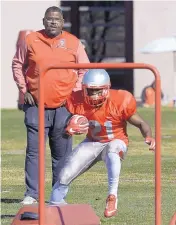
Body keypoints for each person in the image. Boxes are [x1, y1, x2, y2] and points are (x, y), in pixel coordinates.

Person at [49, 69, 155, 218]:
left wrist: (149, 136)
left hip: (116, 141)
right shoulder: (75, 99)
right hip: (92, 142)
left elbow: (141, 123)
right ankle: (55, 204)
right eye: (90, 91)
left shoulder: (120, 100)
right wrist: (68, 127)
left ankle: (112, 196)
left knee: (113, 149)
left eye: (98, 91)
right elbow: (63, 127)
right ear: (84, 88)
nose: (94, 95)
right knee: (66, 174)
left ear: (107, 88)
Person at [12, 6, 89, 205]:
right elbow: (17, 64)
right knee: (34, 152)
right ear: (43, 21)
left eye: (56, 19)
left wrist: (75, 93)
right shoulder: (30, 40)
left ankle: (58, 195)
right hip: (36, 105)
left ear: (63, 22)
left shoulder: (73, 43)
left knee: (61, 155)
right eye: (49, 19)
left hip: (64, 108)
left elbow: (84, 69)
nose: (53, 22)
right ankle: (32, 194)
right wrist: (24, 90)